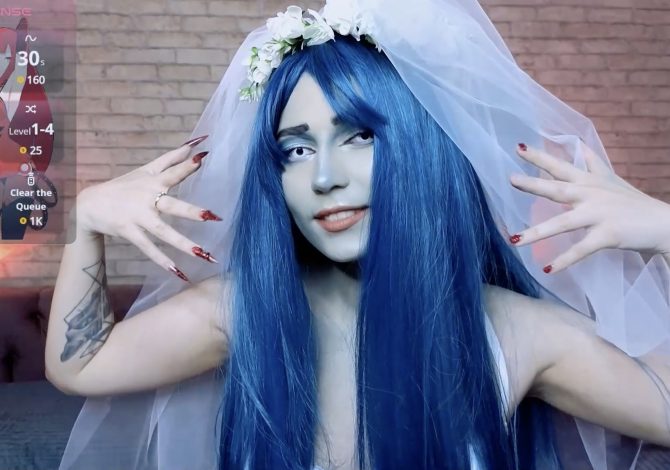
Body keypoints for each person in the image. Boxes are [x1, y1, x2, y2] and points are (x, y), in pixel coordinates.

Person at [47, 1, 670, 469]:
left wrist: (665, 230)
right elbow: (83, 366)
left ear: (422, 149)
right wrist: (87, 221)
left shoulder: (513, 331)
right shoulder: (245, 310)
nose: (324, 177)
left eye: (360, 137)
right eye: (296, 149)